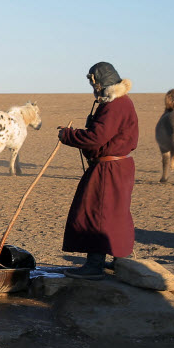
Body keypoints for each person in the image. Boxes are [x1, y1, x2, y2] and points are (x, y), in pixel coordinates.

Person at [58, 62, 138, 279]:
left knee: (96, 212)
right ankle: (121, 260)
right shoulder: (121, 103)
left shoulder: (114, 105)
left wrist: (68, 136)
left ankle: (94, 265)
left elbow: (96, 137)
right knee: (115, 212)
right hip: (117, 166)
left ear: (101, 82)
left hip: (108, 168)